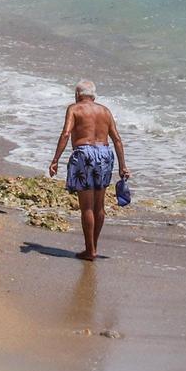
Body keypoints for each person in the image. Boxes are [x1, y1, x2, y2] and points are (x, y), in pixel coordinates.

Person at [48, 80, 130, 261]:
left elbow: (66, 133)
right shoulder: (105, 111)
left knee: (86, 206)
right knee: (99, 205)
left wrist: (55, 160)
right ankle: (94, 246)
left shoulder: (74, 109)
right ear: (94, 96)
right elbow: (117, 139)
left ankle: (89, 250)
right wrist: (123, 166)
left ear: (77, 95)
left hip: (84, 153)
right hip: (105, 154)